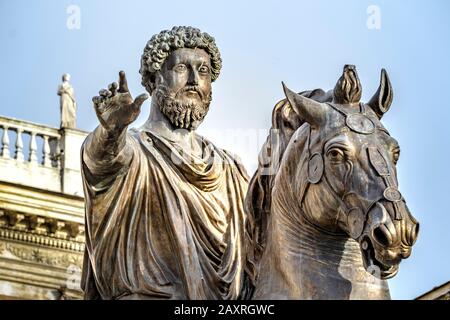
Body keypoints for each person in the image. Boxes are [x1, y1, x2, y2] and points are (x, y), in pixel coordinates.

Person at [81, 26, 249, 300]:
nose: (194, 80)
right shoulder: (135, 151)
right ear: (153, 78)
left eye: (204, 71)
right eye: (182, 68)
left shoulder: (231, 170)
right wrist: (111, 131)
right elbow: (98, 162)